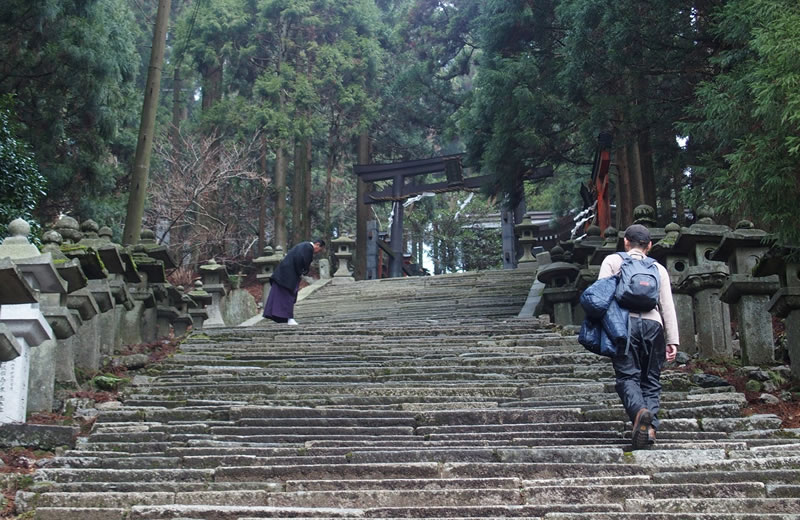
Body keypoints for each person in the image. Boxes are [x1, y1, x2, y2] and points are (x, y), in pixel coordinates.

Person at [598, 224, 679, 449]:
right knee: (651, 379)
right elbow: (667, 305)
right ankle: (649, 427)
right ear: (649, 246)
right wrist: (672, 339)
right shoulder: (658, 268)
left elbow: (601, 297)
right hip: (654, 325)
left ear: (625, 242)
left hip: (624, 325)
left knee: (627, 376)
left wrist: (601, 332)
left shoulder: (613, 261)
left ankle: (639, 413)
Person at [263, 239, 325, 325]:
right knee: (289, 296)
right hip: (289, 275)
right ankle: (289, 318)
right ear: (317, 245)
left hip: (283, 273)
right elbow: (301, 260)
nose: (317, 252)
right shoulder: (308, 247)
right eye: (319, 249)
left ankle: (281, 317)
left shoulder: (303, 245)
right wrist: (302, 272)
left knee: (280, 295)